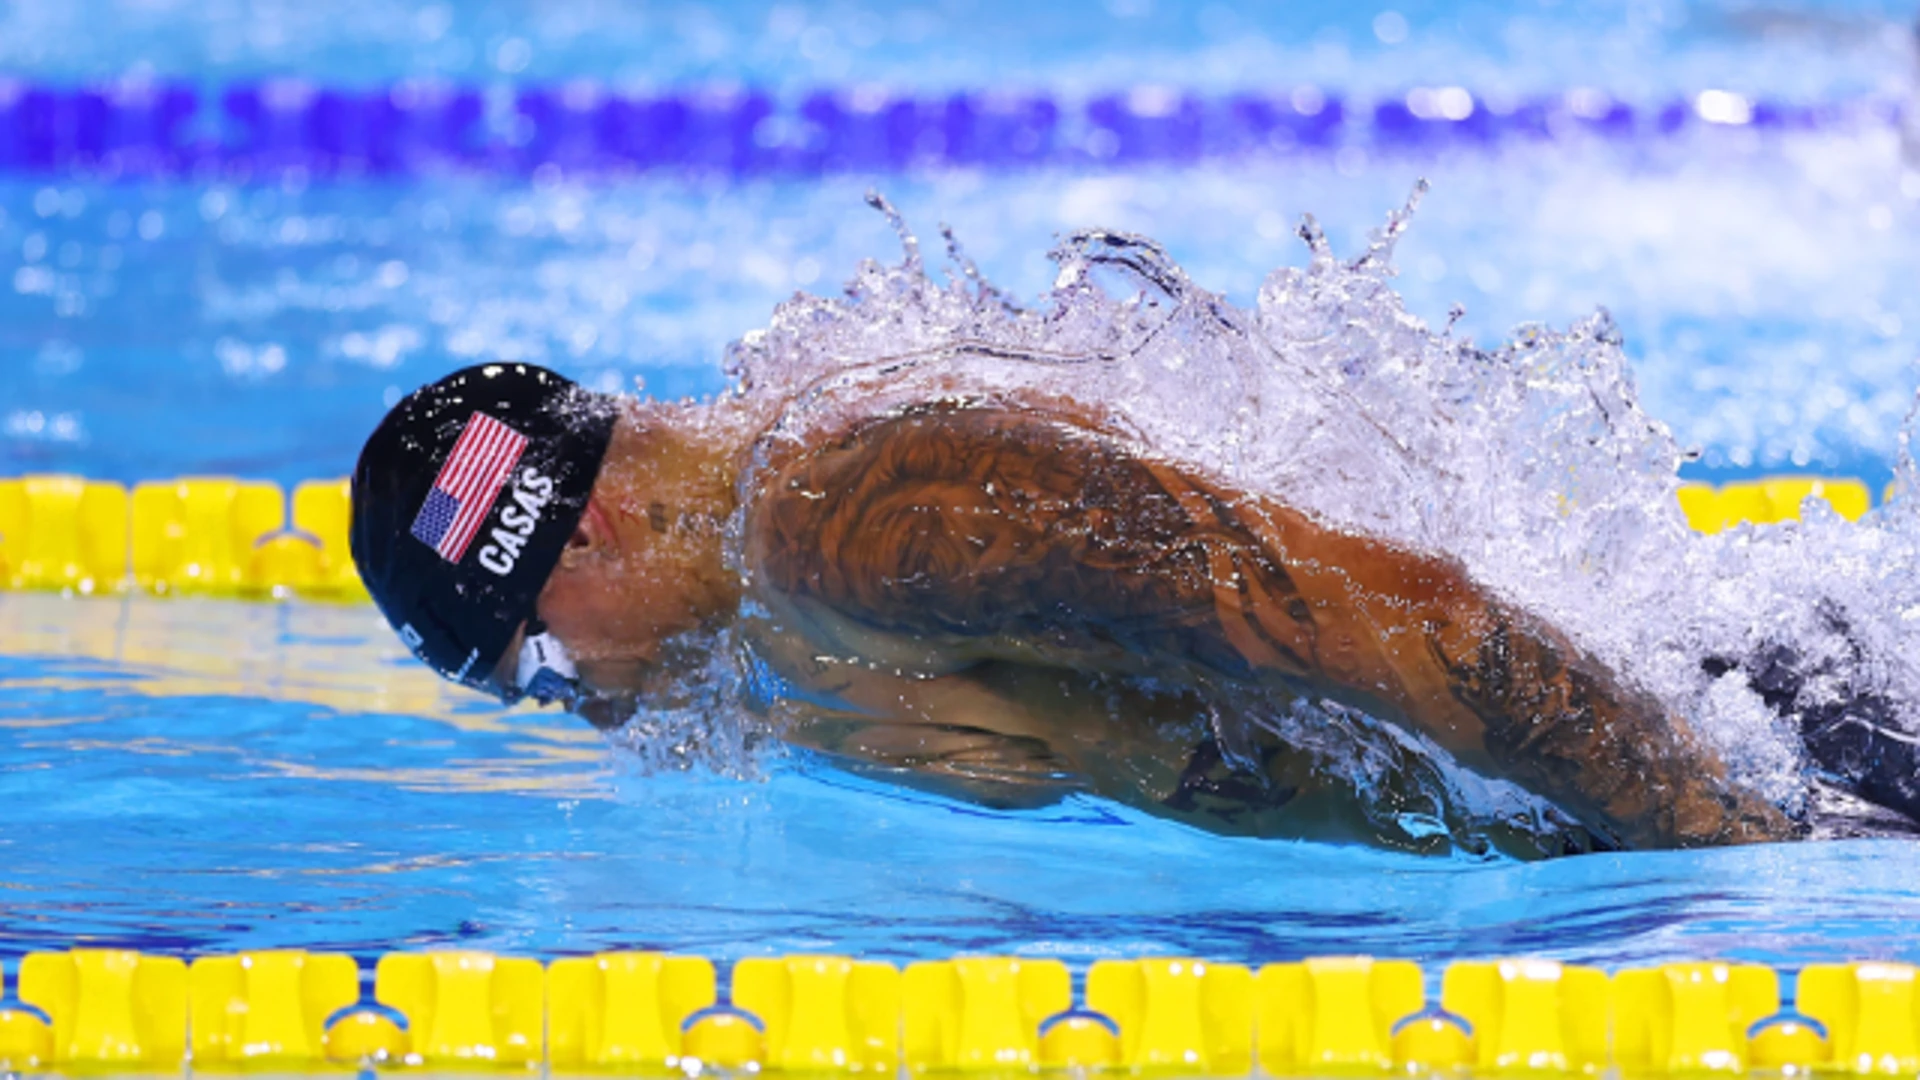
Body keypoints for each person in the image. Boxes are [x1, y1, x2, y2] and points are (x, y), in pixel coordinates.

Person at [353, 361, 1816, 857]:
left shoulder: (853, 527)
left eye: (539, 664)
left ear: (584, 527)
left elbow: (1409, 619)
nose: (587, 707)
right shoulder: (763, 624)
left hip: (1760, 750)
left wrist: (1741, 858)